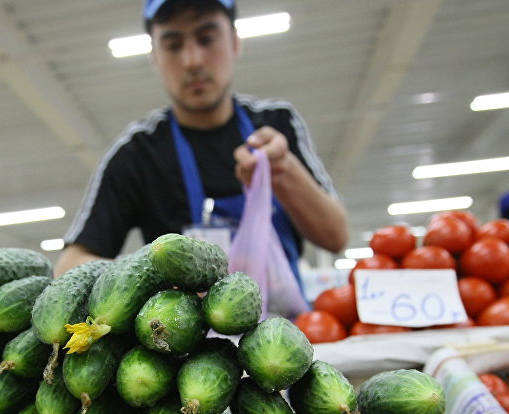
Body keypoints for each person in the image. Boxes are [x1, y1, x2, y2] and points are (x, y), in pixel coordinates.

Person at [55, 0, 348, 289]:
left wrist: (284, 174)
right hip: (180, 333)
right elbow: (72, 264)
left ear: (235, 43)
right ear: (154, 57)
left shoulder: (275, 124)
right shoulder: (137, 154)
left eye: (206, 38)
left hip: (287, 331)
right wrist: (143, 278)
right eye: (173, 45)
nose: (192, 60)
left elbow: (336, 237)